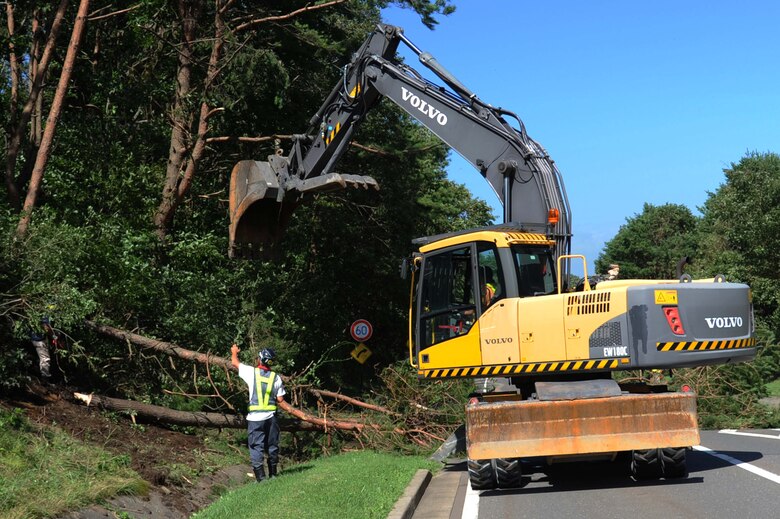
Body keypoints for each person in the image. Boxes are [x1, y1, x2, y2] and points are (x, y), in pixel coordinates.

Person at [231, 343, 286, 482]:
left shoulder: (251, 372)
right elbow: (280, 398)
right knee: (272, 445)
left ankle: (261, 479)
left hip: (255, 419)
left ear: (260, 359)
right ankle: (273, 474)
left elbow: (234, 362)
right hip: (271, 418)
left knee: (256, 447)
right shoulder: (276, 377)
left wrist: (234, 351)